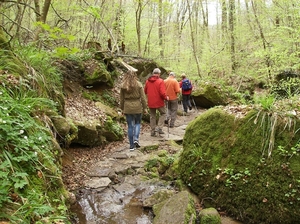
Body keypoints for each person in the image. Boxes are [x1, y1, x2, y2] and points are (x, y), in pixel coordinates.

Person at [120, 70, 148, 151]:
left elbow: (121, 99)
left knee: (130, 126)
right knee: (138, 123)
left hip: (127, 107)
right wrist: (145, 108)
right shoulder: (139, 84)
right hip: (137, 106)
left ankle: (131, 146)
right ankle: (136, 138)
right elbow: (143, 98)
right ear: (135, 75)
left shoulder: (123, 86)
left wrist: (122, 108)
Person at [144, 68, 169, 136]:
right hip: (159, 101)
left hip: (151, 101)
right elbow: (162, 93)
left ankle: (153, 131)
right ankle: (159, 128)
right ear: (159, 74)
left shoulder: (147, 81)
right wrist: (166, 97)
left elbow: (145, 91)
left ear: (153, 73)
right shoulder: (160, 81)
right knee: (163, 113)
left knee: (152, 116)